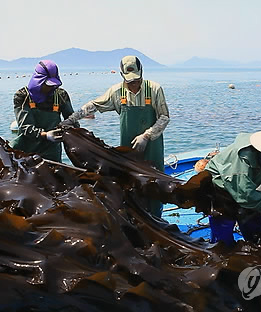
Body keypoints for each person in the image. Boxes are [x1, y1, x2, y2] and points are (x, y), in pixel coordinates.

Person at [59, 56, 170, 217]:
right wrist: (71, 119)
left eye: (136, 80)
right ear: (122, 75)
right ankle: (137, 219)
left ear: (142, 73)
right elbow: (94, 106)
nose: (133, 84)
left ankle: (157, 217)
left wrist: (147, 136)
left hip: (152, 148)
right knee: (130, 184)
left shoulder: (154, 89)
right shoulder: (117, 92)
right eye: (129, 81)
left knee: (155, 183)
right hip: (128, 150)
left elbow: (164, 117)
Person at [10, 60, 78, 162]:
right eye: (47, 84)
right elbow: (26, 127)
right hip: (26, 151)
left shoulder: (60, 95)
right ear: (38, 81)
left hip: (52, 152)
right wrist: (46, 135)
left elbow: (72, 120)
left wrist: (72, 133)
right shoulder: (23, 96)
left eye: (53, 84)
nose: (51, 87)